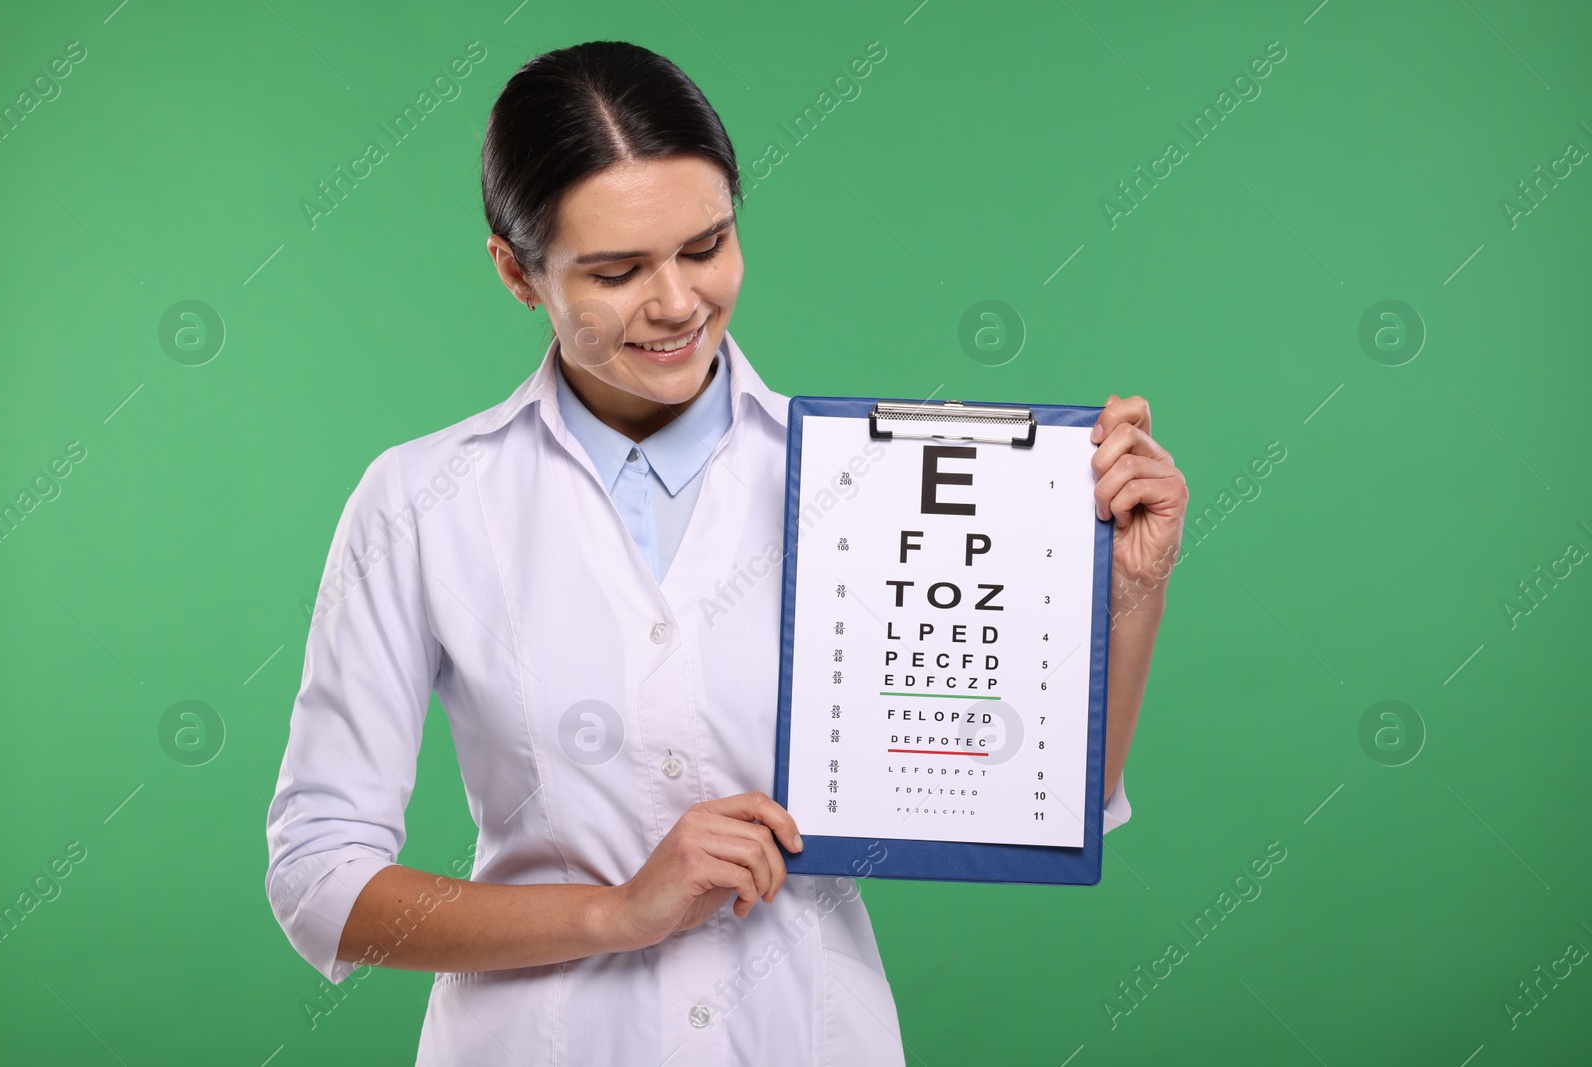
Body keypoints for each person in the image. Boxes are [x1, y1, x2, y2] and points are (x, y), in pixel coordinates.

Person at [263, 39, 1187, 1066]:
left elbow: (1041, 805)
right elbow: (319, 881)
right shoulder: (422, 500)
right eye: (615, 271)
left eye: (705, 246)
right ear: (516, 271)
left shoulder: (870, 482)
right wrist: (616, 912)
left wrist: (1129, 590)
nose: (675, 303)